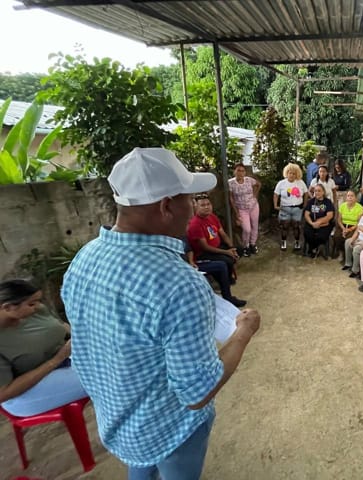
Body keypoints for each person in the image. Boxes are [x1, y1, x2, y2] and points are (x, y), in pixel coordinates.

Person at [61, 147, 260, 479]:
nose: (193, 207)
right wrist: (243, 332)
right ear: (167, 205)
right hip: (170, 427)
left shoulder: (84, 258)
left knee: (140, 470)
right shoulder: (179, 283)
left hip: (118, 419)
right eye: (189, 198)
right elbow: (197, 393)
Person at [0, 279, 86, 417]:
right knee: (105, 376)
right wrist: (57, 359)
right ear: (8, 307)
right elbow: (4, 393)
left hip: (65, 361)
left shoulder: (35, 311)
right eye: (31, 304)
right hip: (25, 393)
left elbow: (59, 326)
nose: (37, 306)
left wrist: (83, 338)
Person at [188, 193, 240, 285]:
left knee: (239, 251)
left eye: (208, 204)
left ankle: (227, 276)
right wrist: (227, 252)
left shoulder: (212, 217)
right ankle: (223, 281)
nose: (206, 207)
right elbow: (205, 247)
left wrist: (232, 247)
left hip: (217, 246)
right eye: (203, 205)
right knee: (227, 259)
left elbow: (223, 234)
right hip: (204, 253)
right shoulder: (195, 224)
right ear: (195, 207)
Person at [183, 239, 246, 308]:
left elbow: (189, 250)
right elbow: (205, 247)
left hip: (193, 264)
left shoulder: (182, 239)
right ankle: (224, 290)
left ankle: (227, 296)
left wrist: (191, 261)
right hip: (189, 265)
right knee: (224, 262)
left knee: (222, 264)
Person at [228, 163, 261, 257]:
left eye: (242, 171)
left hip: (253, 206)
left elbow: (258, 184)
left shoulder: (249, 180)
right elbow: (231, 198)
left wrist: (255, 195)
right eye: (238, 170)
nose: (241, 173)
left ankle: (253, 244)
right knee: (247, 229)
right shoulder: (231, 182)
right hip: (242, 209)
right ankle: (245, 246)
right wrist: (236, 212)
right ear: (234, 171)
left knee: (255, 225)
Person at [274, 163, 308, 251]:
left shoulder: (300, 182)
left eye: (294, 173)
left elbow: (306, 193)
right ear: (287, 173)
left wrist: (305, 203)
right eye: (290, 173)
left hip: (297, 208)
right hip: (285, 207)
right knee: (284, 225)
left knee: (296, 225)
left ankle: (297, 242)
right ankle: (283, 242)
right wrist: (275, 205)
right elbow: (276, 194)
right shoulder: (281, 183)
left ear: (297, 174)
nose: (292, 175)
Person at [303, 183, 335, 259]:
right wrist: (312, 223)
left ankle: (314, 248)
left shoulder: (328, 202)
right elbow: (306, 214)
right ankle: (313, 248)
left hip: (324, 224)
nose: (317, 192)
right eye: (315, 191)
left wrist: (319, 223)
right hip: (311, 223)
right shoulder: (311, 201)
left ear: (323, 192)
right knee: (308, 234)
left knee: (321, 237)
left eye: (319, 191)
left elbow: (329, 216)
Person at [333, 190, 363, 262]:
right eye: (348, 196)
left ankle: (347, 255)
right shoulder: (343, 206)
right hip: (342, 225)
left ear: (356, 198)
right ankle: (341, 253)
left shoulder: (359, 207)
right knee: (337, 236)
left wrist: (350, 229)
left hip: (354, 227)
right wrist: (343, 229)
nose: (350, 198)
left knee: (348, 238)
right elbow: (339, 220)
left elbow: (359, 222)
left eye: (352, 196)